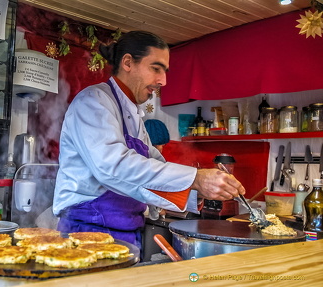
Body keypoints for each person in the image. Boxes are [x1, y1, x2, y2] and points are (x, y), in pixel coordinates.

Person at [53, 31, 245, 249]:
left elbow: (156, 168)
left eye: (164, 71)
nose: (163, 80)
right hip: (86, 233)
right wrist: (195, 178)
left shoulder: (134, 115)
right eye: (156, 68)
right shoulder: (93, 101)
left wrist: (199, 191)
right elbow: (112, 167)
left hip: (127, 234)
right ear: (127, 62)